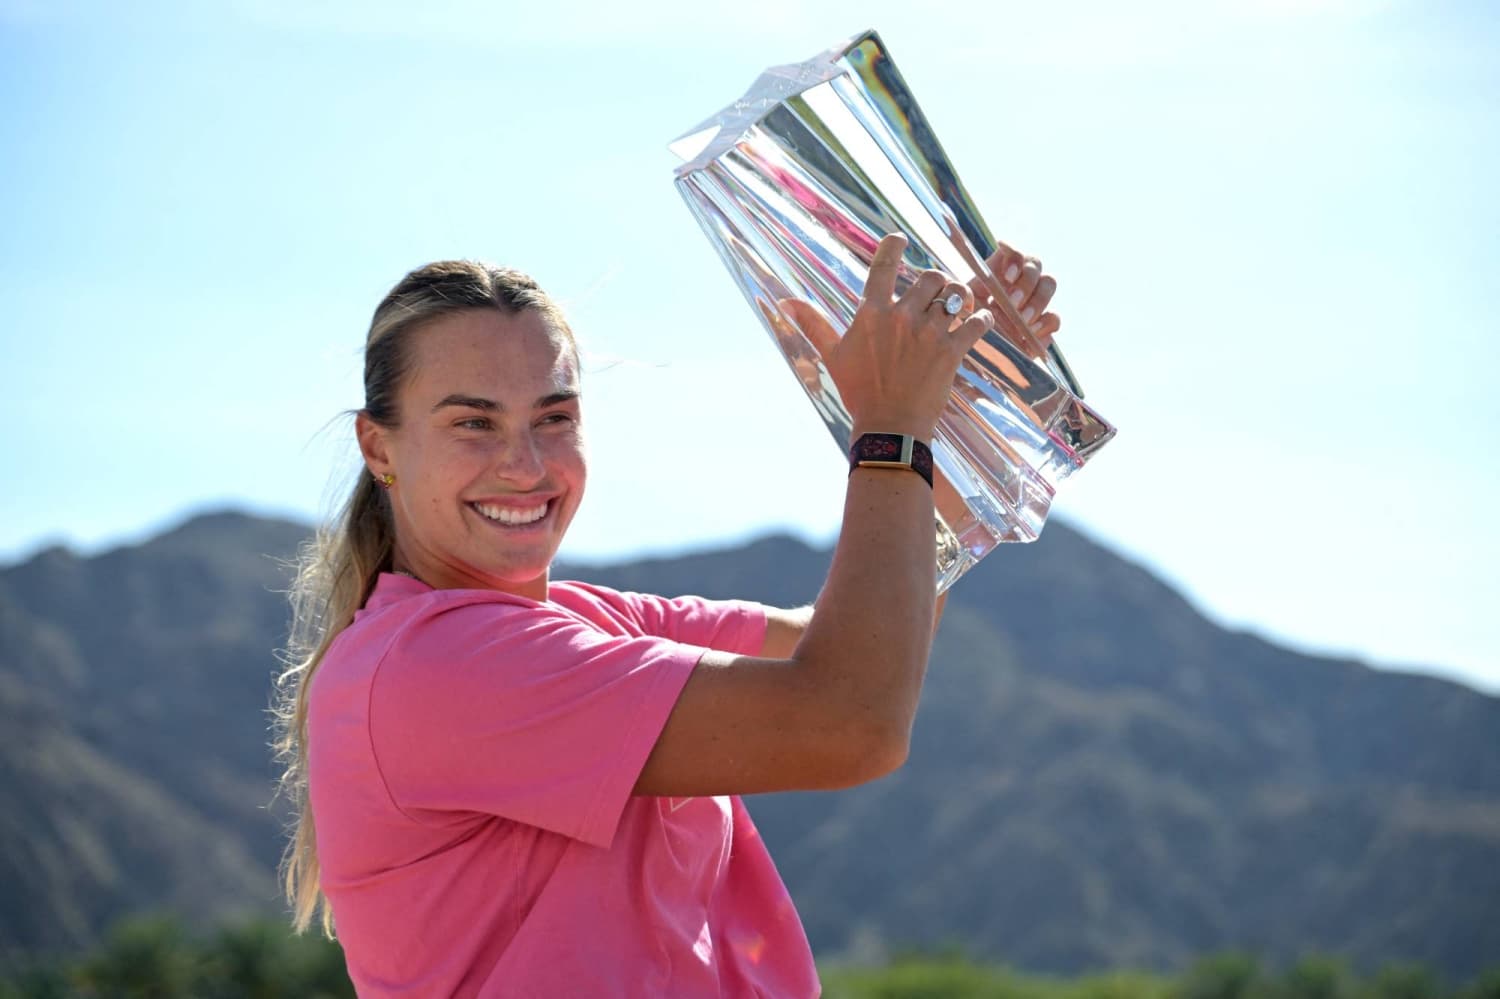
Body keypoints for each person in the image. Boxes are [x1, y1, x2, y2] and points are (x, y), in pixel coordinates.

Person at [272, 233, 1060, 997]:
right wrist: (891, 429)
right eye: (473, 423)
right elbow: (852, 718)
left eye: (554, 417)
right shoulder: (437, 664)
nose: (527, 464)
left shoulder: (577, 623)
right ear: (379, 448)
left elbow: (865, 640)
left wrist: (960, 396)